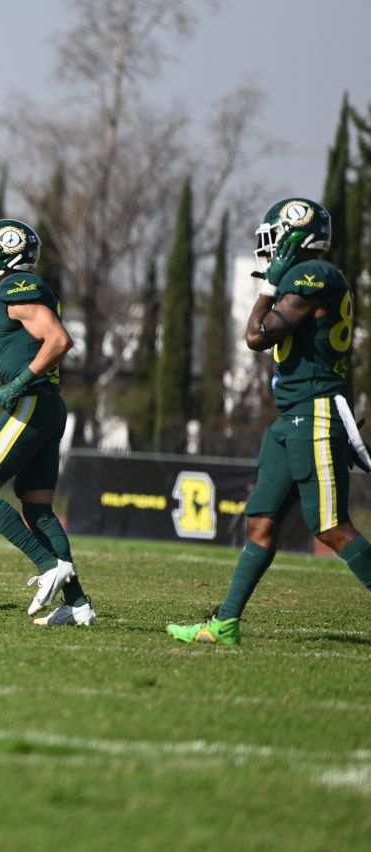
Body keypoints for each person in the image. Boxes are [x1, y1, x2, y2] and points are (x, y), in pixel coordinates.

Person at [168, 198, 371, 646]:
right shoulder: (310, 276)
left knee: (333, 527)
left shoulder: (311, 274)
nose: (268, 245)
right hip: (292, 416)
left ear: (295, 235)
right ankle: (224, 623)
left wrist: (269, 287)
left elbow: (256, 336)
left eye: (275, 234)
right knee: (261, 522)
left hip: (314, 412)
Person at [0, 219, 96, 626]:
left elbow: (58, 341)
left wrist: (20, 380)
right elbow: (30, 346)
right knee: (38, 510)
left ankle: (49, 566)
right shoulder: (16, 290)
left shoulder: (15, 287)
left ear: (8, 249)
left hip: (33, 404)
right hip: (46, 404)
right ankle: (79, 605)